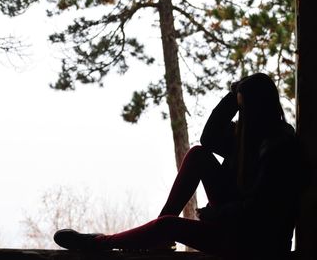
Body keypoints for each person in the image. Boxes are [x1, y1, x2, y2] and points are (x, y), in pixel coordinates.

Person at [53, 73, 301, 258]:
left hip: (253, 243)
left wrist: (218, 214)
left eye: (243, 108)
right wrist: (232, 95)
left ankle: (99, 243)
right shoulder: (249, 136)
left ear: (257, 109)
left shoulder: (278, 146)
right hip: (235, 223)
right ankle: (159, 233)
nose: (240, 116)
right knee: (198, 155)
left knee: (169, 227)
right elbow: (209, 139)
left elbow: (260, 208)